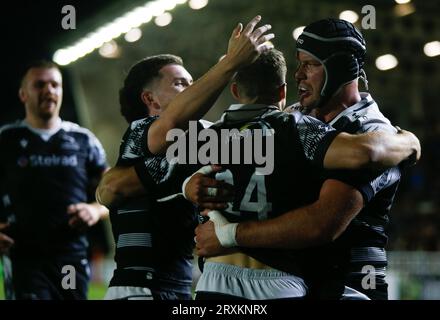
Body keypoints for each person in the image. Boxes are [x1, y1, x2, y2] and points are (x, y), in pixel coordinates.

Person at [191, 18, 416, 300]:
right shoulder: (297, 117)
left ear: (340, 68)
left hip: (349, 286)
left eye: (309, 64)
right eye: (298, 64)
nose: (298, 75)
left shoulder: (371, 132)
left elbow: (321, 224)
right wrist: (193, 182)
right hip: (303, 282)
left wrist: (228, 235)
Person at [99, 16, 276, 300]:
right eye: (182, 84)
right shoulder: (141, 131)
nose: (193, 90)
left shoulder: (197, 139)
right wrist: (230, 64)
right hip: (140, 290)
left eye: (192, 83)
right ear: (150, 100)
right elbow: (169, 128)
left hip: (179, 289)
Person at [0, 60, 109, 300]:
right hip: (23, 260)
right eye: (39, 85)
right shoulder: (6, 140)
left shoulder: (83, 140)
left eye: (55, 85)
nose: (49, 90)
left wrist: (94, 210)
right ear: (23, 94)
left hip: (72, 258)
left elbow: (113, 192)